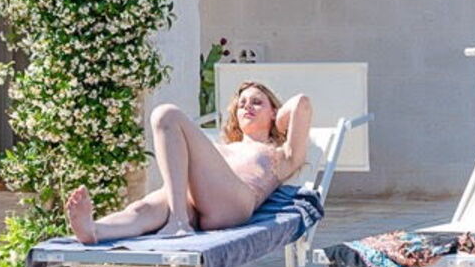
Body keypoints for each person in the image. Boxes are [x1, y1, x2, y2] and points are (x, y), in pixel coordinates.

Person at [64, 80, 313, 243]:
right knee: (143, 209)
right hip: (193, 202)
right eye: (242, 104)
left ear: (273, 111)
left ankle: (178, 221)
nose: (247, 107)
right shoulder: (222, 148)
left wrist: (280, 119)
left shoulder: (281, 154)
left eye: (257, 102)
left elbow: (301, 103)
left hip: (234, 203)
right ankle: (94, 230)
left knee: (166, 114)